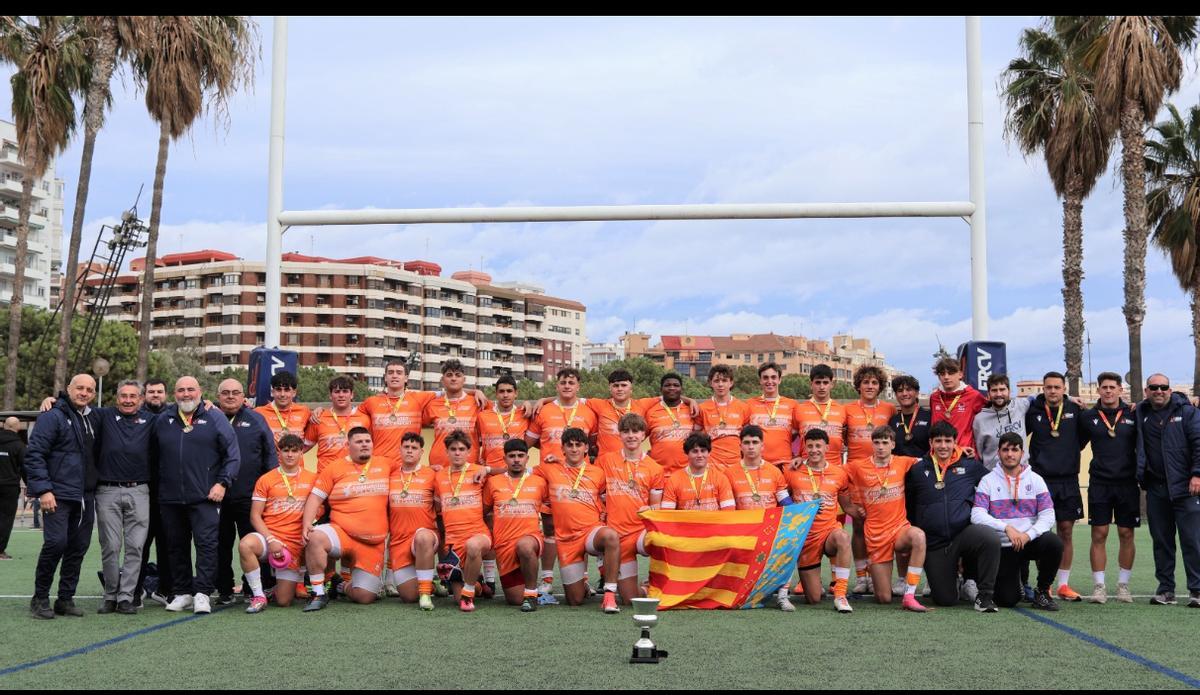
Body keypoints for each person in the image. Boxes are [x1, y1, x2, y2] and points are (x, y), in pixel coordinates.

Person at [155, 377, 241, 614]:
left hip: (205, 497)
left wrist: (222, 483)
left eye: (190, 389)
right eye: (181, 390)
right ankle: (182, 592)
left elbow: (232, 455)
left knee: (206, 546)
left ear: (200, 392)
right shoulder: (164, 420)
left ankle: (203, 592)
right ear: (174, 394)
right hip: (171, 498)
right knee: (176, 546)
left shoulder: (215, 417)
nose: (186, 394)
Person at [25, 374, 99, 619]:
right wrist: (44, 490)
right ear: (68, 389)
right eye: (80, 388)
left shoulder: (94, 418)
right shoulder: (52, 416)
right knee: (56, 544)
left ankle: (65, 599)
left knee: (78, 548)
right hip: (57, 494)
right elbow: (35, 454)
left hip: (86, 496)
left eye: (89, 389)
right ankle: (40, 598)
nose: (84, 392)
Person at [905, 421, 999, 611]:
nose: (943, 446)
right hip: (935, 543)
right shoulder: (917, 470)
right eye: (938, 441)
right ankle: (953, 580)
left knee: (989, 538)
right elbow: (909, 505)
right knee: (946, 599)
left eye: (948, 441)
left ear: (955, 442)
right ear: (931, 442)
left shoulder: (970, 465)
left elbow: (994, 484)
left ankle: (985, 595)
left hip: (963, 534)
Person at [302, 427, 391, 611]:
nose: (364, 445)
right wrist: (307, 525)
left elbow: (410, 470)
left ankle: (340, 585)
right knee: (315, 537)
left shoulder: (387, 464)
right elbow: (316, 497)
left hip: (372, 543)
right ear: (347, 445)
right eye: (359, 442)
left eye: (367, 441)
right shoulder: (334, 468)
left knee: (365, 597)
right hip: (342, 533)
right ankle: (318, 593)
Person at [971, 433, 1062, 610]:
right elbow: (977, 514)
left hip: (1029, 541)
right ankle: (1017, 580)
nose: (1010, 454)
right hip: (1004, 545)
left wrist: (1028, 535)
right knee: (1007, 600)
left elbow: (1048, 515)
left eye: (1015, 449)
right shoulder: (987, 481)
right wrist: (1006, 528)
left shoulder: (1036, 480)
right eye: (1005, 449)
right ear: (998, 453)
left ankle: (1042, 592)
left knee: (1054, 543)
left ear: (1022, 453)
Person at [536, 427, 622, 612]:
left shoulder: (598, 473)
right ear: (563, 449)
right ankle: (582, 585)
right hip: (567, 540)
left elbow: (611, 496)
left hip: (590, 531)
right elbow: (518, 472)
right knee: (575, 600)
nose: (574, 449)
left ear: (586, 448)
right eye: (570, 445)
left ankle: (609, 596)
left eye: (578, 445)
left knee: (611, 536)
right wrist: (486, 469)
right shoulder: (548, 469)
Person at [843, 426, 927, 612]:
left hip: (899, 530)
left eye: (885, 443)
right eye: (877, 442)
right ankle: (874, 574)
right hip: (875, 535)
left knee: (919, 536)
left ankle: (909, 594)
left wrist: (960, 450)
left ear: (893, 444)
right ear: (872, 444)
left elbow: (933, 460)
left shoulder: (903, 462)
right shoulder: (858, 466)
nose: (881, 447)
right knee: (884, 598)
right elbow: (835, 476)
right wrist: (848, 507)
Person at [92, 380, 156, 615]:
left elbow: (179, 414)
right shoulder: (103, 416)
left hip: (139, 491)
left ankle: (126, 597)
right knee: (110, 546)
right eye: (123, 396)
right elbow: (76, 407)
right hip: (107, 490)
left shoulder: (151, 420)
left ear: (141, 399)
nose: (128, 400)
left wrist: (208, 404)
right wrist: (54, 400)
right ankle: (110, 595)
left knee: (135, 547)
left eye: (133, 396)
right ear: (116, 397)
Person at [1136, 373, 1200, 607]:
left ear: (1170, 390)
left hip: (1186, 488)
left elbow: (1199, 442)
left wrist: (1197, 474)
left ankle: (1197, 590)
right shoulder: (1141, 412)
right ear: (1147, 391)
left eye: (1163, 387)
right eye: (1154, 387)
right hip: (1156, 489)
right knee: (1162, 542)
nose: (1159, 391)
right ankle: (1166, 590)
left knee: (1193, 541)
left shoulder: (1188, 412)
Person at [1025, 371, 1087, 602]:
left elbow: (1084, 437)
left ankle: (1063, 584)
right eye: (1048, 387)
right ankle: (1045, 584)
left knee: (1066, 532)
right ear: (1043, 389)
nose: (1052, 391)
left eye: (1056, 387)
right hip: (1040, 481)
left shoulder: (1075, 409)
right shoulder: (1033, 411)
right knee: (1042, 534)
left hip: (1068, 480)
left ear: (1064, 389)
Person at [215, 378, 278, 605]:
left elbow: (270, 456)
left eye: (235, 393)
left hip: (250, 498)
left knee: (252, 544)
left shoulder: (256, 419)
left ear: (244, 397)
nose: (230, 396)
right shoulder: (210, 418)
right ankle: (224, 589)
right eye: (225, 393)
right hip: (217, 498)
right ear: (218, 395)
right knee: (219, 545)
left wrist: (272, 489)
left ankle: (255, 588)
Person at [1080, 371, 1138, 604]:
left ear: (1120, 390)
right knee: (1099, 534)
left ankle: (1123, 586)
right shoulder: (1088, 417)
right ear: (1098, 390)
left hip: (1127, 482)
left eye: (1112, 387)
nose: (1108, 391)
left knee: (1126, 533)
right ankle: (1099, 587)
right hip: (1100, 483)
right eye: (1104, 387)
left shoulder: (1133, 413)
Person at [241, 434, 316, 613]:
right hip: (271, 537)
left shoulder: (313, 478)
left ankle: (286, 586)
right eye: (286, 450)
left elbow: (317, 511)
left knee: (284, 601)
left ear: (301, 453)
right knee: (245, 545)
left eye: (294, 451)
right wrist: (270, 539)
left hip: (295, 542)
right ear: (279, 453)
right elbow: (255, 516)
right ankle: (258, 595)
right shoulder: (266, 479)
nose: (290, 455)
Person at [595, 413, 664, 604]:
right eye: (626, 431)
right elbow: (597, 494)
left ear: (643, 435)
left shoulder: (655, 468)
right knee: (629, 599)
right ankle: (645, 588)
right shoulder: (605, 461)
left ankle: (659, 580)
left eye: (636, 431)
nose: (631, 435)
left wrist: (649, 516)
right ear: (620, 435)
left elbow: (656, 507)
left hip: (641, 532)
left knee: (662, 541)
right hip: (618, 535)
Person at [784, 429, 853, 613]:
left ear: (827, 447)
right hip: (806, 539)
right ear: (804, 448)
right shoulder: (792, 472)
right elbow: (782, 500)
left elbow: (847, 506)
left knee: (844, 538)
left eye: (818, 446)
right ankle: (813, 584)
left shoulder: (839, 473)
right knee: (814, 599)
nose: (814, 450)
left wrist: (866, 514)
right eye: (810, 446)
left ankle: (840, 595)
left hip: (829, 532)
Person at [482, 438, 548, 612]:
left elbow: (553, 507)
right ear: (505, 459)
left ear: (527, 458)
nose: (516, 459)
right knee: (515, 600)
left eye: (520, 456)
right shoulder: (493, 482)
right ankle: (521, 593)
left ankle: (531, 594)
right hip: (504, 546)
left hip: (530, 538)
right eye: (512, 456)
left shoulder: (539, 482)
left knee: (525, 546)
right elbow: (482, 512)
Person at [434, 430, 492, 612]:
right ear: (447, 452)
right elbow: (438, 511)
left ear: (469, 452)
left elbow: (507, 471)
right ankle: (476, 584)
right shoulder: (439, 476)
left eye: (461, 449)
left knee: (473, 546)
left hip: (478, 534)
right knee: (455, 597)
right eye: (453, 449)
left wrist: (487, 469)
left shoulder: (478, 471)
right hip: (453, 541)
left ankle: (468, 594)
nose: (457, 453)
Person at [386, 431, 440, 610]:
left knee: (423, 537)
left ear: (421, 452)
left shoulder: (432, 474)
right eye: (406, 447)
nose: (410, 451)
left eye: (414, 448)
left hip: (425, 536)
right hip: (399, 541)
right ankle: (433, 582)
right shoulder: (390, 475)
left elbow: (441, 507)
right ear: (399, 449)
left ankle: (425, 595)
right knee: (408, 596)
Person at [423, 360, 482, 471]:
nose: (453, 378)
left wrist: (526, 404)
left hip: (469, 466)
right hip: (439, 466)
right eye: (449, 375)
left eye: (458, 375)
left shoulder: (477, 402)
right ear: (442, 380)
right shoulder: (432, 404)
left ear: (464, 380)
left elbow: (503, 412)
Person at [305, 376, 371, 473]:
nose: (341, 395)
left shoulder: (364, 419)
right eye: (337, 392)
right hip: (325, 477)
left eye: (345, 391)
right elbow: (304, 447)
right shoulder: (319, 418)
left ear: (352, 395)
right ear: (330, 395)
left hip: (353, 476)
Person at [660, 433, 736, 511]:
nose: (699, 455)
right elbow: (667, 514)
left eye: (703, 451)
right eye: (695, 451)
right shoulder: (674, 480)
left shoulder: (721, 479)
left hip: (715, 523)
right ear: (687, 454)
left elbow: (729, 513)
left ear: (709, 453)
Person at [746, 362, 800, 468]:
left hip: (784, 462)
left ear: (779, 380)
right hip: (758, 463)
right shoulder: (749, 404)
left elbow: (799, 434)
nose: (769, 381)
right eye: (765, 378)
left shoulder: (792, 405)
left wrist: (798, 455)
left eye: (773, 377)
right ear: (760, 380)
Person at [972, 374, 1031, 471]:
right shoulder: (979, 420)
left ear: (1009, 391)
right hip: (994, 474)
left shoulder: (1020, 406)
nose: (999, 394)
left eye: (1002, 389)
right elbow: (979, 451)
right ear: (988, 394)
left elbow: (1037, 398)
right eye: (994, 390)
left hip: (1022, 472)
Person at [697, 365, 751, 470]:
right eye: (716, 381)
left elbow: (747, 439)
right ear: (710, 383)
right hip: (711, 467)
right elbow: (697, 438)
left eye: (724, 380)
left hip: (737, 465)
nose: (720, 384)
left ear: (731, 383)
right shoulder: (702, 408)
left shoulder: (743, 407)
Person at [641, 372, 695, 475]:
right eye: (667, 385)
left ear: (681, 389)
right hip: (658, 472)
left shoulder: (692, 410)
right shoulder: (651, 412)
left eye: (676, 385)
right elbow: (637, 438)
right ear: (661, 389)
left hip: (687, 473)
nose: (672, 388)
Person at [929, 356, 987, 451]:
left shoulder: (973, 396)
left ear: (960, 374)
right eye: (942, 374)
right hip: (938, 453)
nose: (946, 377)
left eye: (951, 373)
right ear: (939, 377)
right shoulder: (934, 397)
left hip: (963, 453)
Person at [477, 375, 530, 475]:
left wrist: (541, 400)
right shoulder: (482, 416)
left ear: (516, 393)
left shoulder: (524, 414)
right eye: (501, 391)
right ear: (496, 394)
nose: (505, 395)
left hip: (516, 474)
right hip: (489, 473)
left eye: (509, 391)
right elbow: (476, 443)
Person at [253, 371, 313, 450]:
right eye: (278, 389)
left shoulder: (304, 412)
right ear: (272, 392)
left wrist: (298, 453)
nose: (282, 394)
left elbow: (312, 439)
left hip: (297, 462)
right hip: (270, 462)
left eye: (287, 390)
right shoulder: (258, 412)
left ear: (294, 393)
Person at [1, 416, 27, 560]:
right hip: (9, 487)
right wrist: (31, 485)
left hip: (8, 486)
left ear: (5, 426)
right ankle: (0, 550)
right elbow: (25, 467)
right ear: (17, 427)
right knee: (6, 518)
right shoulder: (19, 445)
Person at [888, 375, 931, 457]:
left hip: (923, 468)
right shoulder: (892, 421)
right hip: (900, 468)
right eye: (900, 391)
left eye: (908, 389)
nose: (904, 394)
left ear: (917, 393)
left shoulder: (929, 417)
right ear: (896, 395)